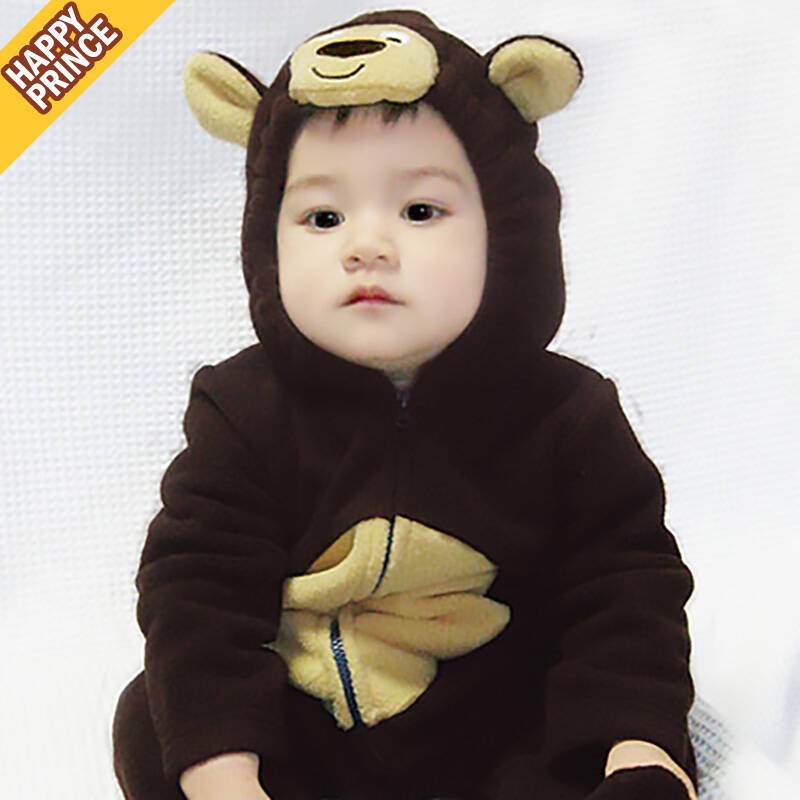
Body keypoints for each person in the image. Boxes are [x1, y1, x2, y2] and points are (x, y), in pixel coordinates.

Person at [113, 10, 698, 800]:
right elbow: (198, 595)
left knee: (595, 729)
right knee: (159, 720)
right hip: (313, 714)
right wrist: (224, 768)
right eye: (323, 217)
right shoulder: (241, 412)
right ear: (267, 242)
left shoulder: (568, 415)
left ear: (507, 230)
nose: (366, 246)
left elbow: (625, 587)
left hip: (494, 719)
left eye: (420, 211)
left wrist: (638, 743)